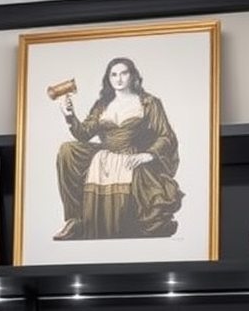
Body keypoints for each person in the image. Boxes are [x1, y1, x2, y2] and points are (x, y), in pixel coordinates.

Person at [52, 57, 184, 241]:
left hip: (132, 157)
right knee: (67, 149)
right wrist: (69, 116)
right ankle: (75, 220)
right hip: (104, 157)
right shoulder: (102, 105)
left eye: (124, 73)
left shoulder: (149, 102)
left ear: (133, 76)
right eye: (113, 74)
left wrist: (149, 154)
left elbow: (166, 136)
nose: (119, 79)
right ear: (108, 78)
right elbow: (84, 134)